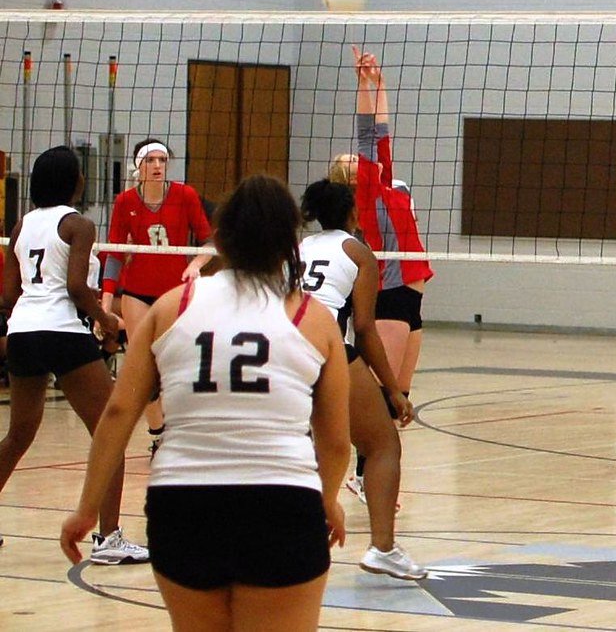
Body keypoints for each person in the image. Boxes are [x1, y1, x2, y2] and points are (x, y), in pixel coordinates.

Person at [61, 175, 351, 631]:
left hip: (183, 505)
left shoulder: (172, 306)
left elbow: (118, 413)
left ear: (221, 237)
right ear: (289, 243)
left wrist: (86, 509)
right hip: (281, 503)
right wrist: (328, 499)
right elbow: (335, 441)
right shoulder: (313, 318)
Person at [0, 146, 148, 563]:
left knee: (18, 435)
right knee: (109, 431)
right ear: (74, 181)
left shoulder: (22, 225)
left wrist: (28, 319)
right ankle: (109, 539)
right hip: (62, 331)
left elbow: (9, 294)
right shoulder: (78, 224)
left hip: (23, 331)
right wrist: (106, 319)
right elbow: (76, 287)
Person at [300, 178, 426, 580]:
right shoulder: (358, 252)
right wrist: (392, 390)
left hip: (281, 346)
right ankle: (382, 548)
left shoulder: (299, 248)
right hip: (326, 347)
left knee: (306, 447)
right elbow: (366, 329)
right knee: (382, 445)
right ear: (353, 214)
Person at [329, 47, 433, 499]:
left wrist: (380, 84)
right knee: (384, 395)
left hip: (412, 298)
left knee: (401, 392)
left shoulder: (385, 183)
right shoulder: (367, 196)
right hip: (391, 295)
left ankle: (364, 470)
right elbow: (367, 133)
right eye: (352, 160)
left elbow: (380, 133)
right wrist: (361, 86)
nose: (360, 157)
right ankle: (360, 471)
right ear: (350, 181)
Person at [101, 139, 213, 456]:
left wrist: (195, 264)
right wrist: (106, 305)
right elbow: (114, 254)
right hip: (136, 293)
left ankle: (183, 428)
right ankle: (159, 435)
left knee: (178, 363)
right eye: (150, 160)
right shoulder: (125, 201)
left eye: (162, 160)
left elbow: (209, 241)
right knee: (145, 367)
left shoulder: (185, 195)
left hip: (175, 293)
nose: (157, 166)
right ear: (139, 166)